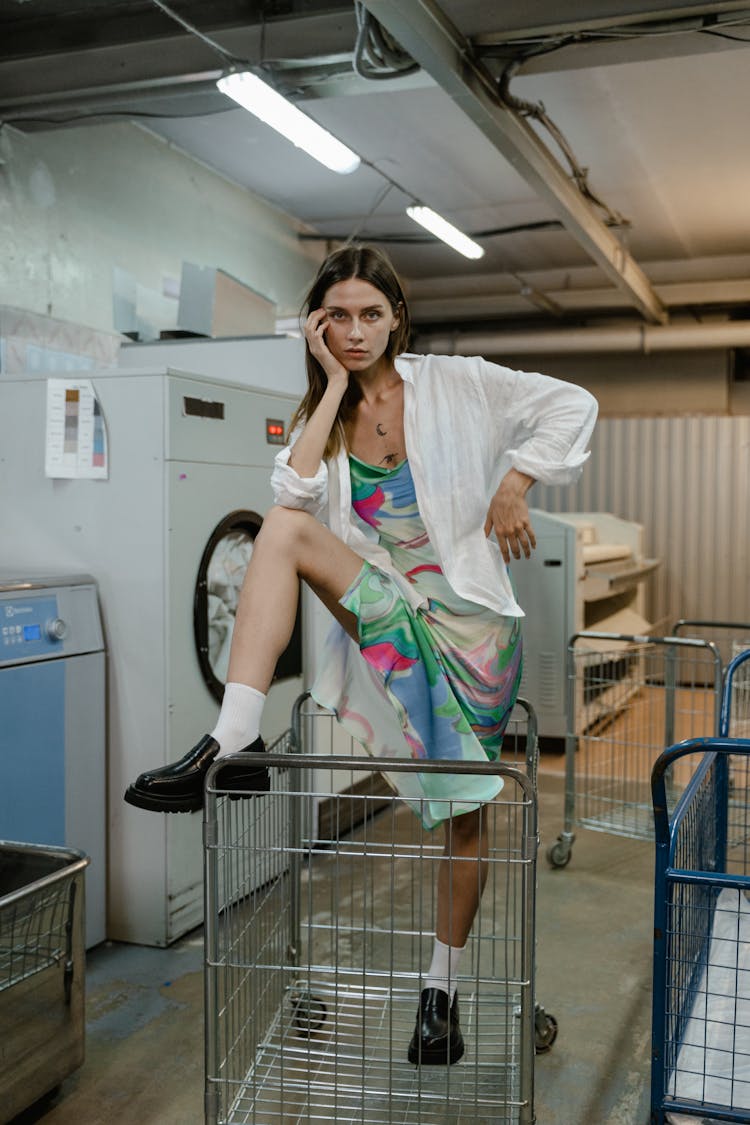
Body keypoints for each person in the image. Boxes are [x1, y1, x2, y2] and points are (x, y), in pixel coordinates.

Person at [125, 244, 597, 1065]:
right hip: (393, 613)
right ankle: (235, 739)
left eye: (370, 315)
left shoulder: (454, 383)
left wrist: (517, 480)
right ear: (317, 325)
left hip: (474, 633)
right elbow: (291, 498)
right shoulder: (331, 414)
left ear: (396, 319)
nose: (355, 330)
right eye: (336, 317)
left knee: (465, 819)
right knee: (282, 528)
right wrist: (333, 388)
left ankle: (438, 999)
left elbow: (573, 403)